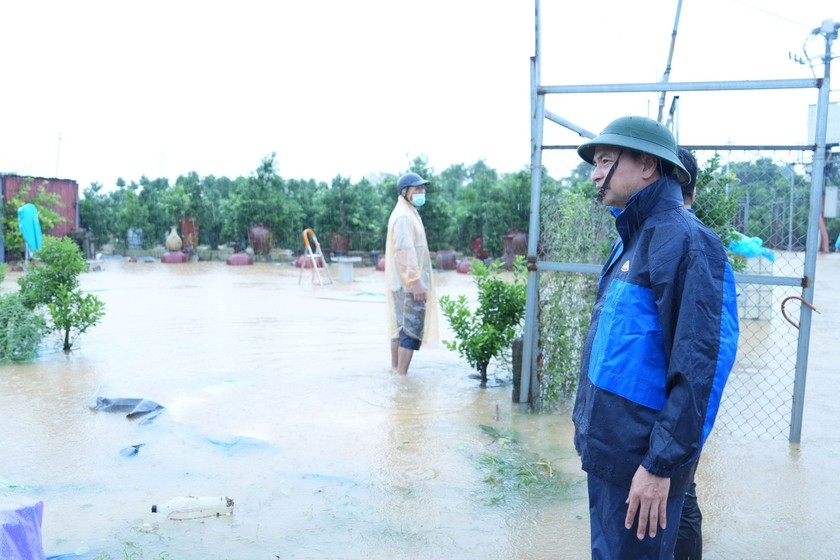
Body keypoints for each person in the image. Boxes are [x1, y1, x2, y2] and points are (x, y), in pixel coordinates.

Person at [573, 116, 739, 559]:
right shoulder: (631, 237)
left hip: (642, 466)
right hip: (612, 454)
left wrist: (659, 467)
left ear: (647, 164)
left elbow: (697, 367)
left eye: (605, 160)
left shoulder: (688, 244)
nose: (594, 173)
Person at [385, 172, 438, 375]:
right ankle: (402, 378)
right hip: (408, 285)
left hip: (401, 283)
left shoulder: (407, 211)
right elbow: (404, 250)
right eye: (417, 189)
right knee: (410, 331)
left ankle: (396, 372)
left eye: (423, 188)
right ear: (404, 192)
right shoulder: (404, 217)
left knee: (400, 329)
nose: (421, 192)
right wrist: (415, 281)